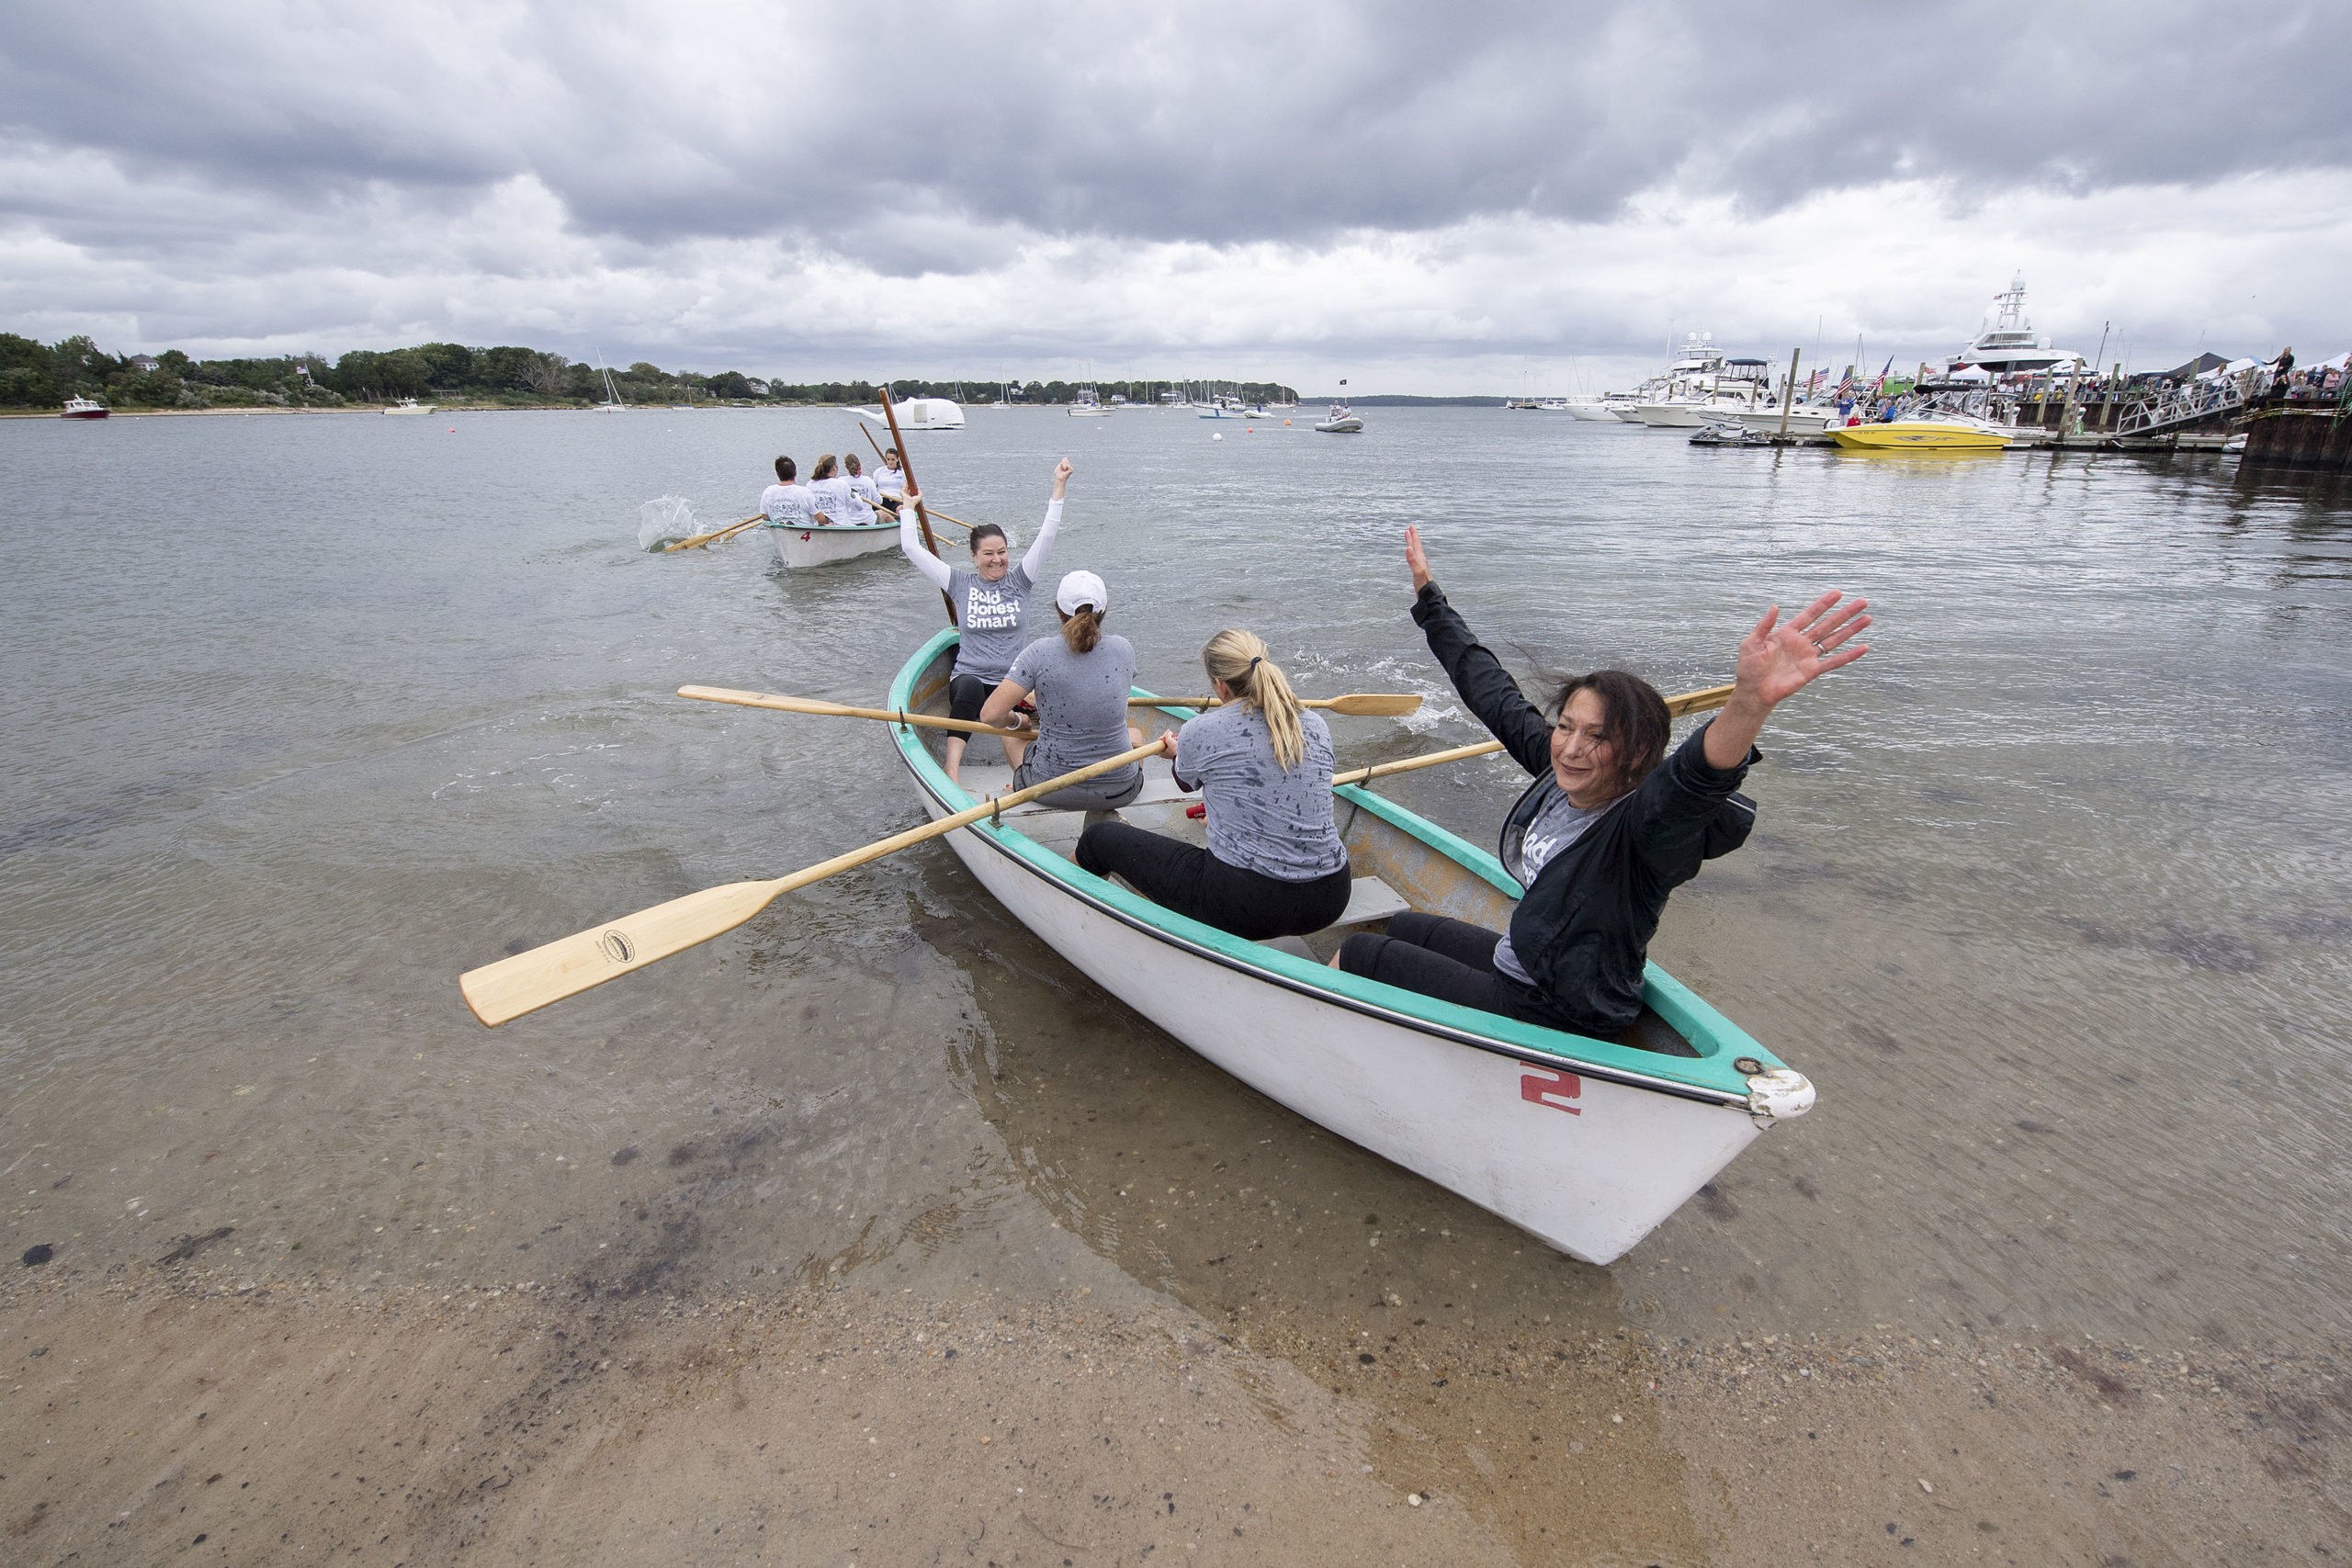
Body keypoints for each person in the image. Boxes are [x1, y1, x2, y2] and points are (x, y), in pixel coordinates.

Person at [1335, 525, 1871, 1042]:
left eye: (1597, 737)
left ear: (1637, 752)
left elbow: (1694, 781)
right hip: (1528, 966)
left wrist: (1749, 702)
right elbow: (1490, 690)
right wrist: (1430, 598)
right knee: (1407, 928)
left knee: (1363, 956)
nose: (1570, 748)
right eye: (1566, 726)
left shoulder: (1643, 828)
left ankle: (1327, 1050)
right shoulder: (1561, 776)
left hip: (1555, 1006)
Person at [1075, 630, 1351, 940]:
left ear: (1220, 685)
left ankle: (1075, 919)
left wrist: (1174, 752)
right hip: (1330, 896)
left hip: (1245, 903)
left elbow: (1185, 782)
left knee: (1099, 838)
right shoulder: (1315, 724)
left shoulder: (1201, 730)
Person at [899, 459, 1069, 782]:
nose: (997, 560)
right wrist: (908, 508)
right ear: (974, 557)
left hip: (1013, 681)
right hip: (972, 678)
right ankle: (952, 768)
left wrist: (1058, 486)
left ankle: (1028, 733)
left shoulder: (1020, 580)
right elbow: (911, 547)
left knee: (1052, 694)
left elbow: (1047, 536)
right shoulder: (959, 583)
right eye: (988, 554)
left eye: (1002, 552)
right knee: (968, 689)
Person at [978, 569, 1148, 810]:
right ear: (1105, 610)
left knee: (1009, 735)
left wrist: (1017, 721)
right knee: (1136, 735)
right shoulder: (1124, 649)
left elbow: (990, 715)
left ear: (1058, 611)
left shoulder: (1038, 652)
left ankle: (1021, 782)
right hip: (1120, 789)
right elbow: (1093, 692)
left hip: (1051, 789)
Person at [757, 456, 829, 529]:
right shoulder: (805, 492)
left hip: (780, 532)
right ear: (795, 472)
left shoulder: (767, 492)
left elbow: (765, 516)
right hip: (805, 534)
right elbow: (820, 518)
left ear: (777, 474)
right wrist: (827, 520)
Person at [806, 455, 867, 526]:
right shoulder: (841, 484)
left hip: (819, 527)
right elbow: (859, 506)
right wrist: (855, 494)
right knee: (866, 524)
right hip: (842, 527)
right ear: (834, 468)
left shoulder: (809, 485)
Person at [844, 451, 895, 518]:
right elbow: (879, 501)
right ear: (859, 465)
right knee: (884, 514)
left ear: (846, 467)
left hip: (849, 520)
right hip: (868, 519)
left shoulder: (841, 481)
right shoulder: (868, 480)